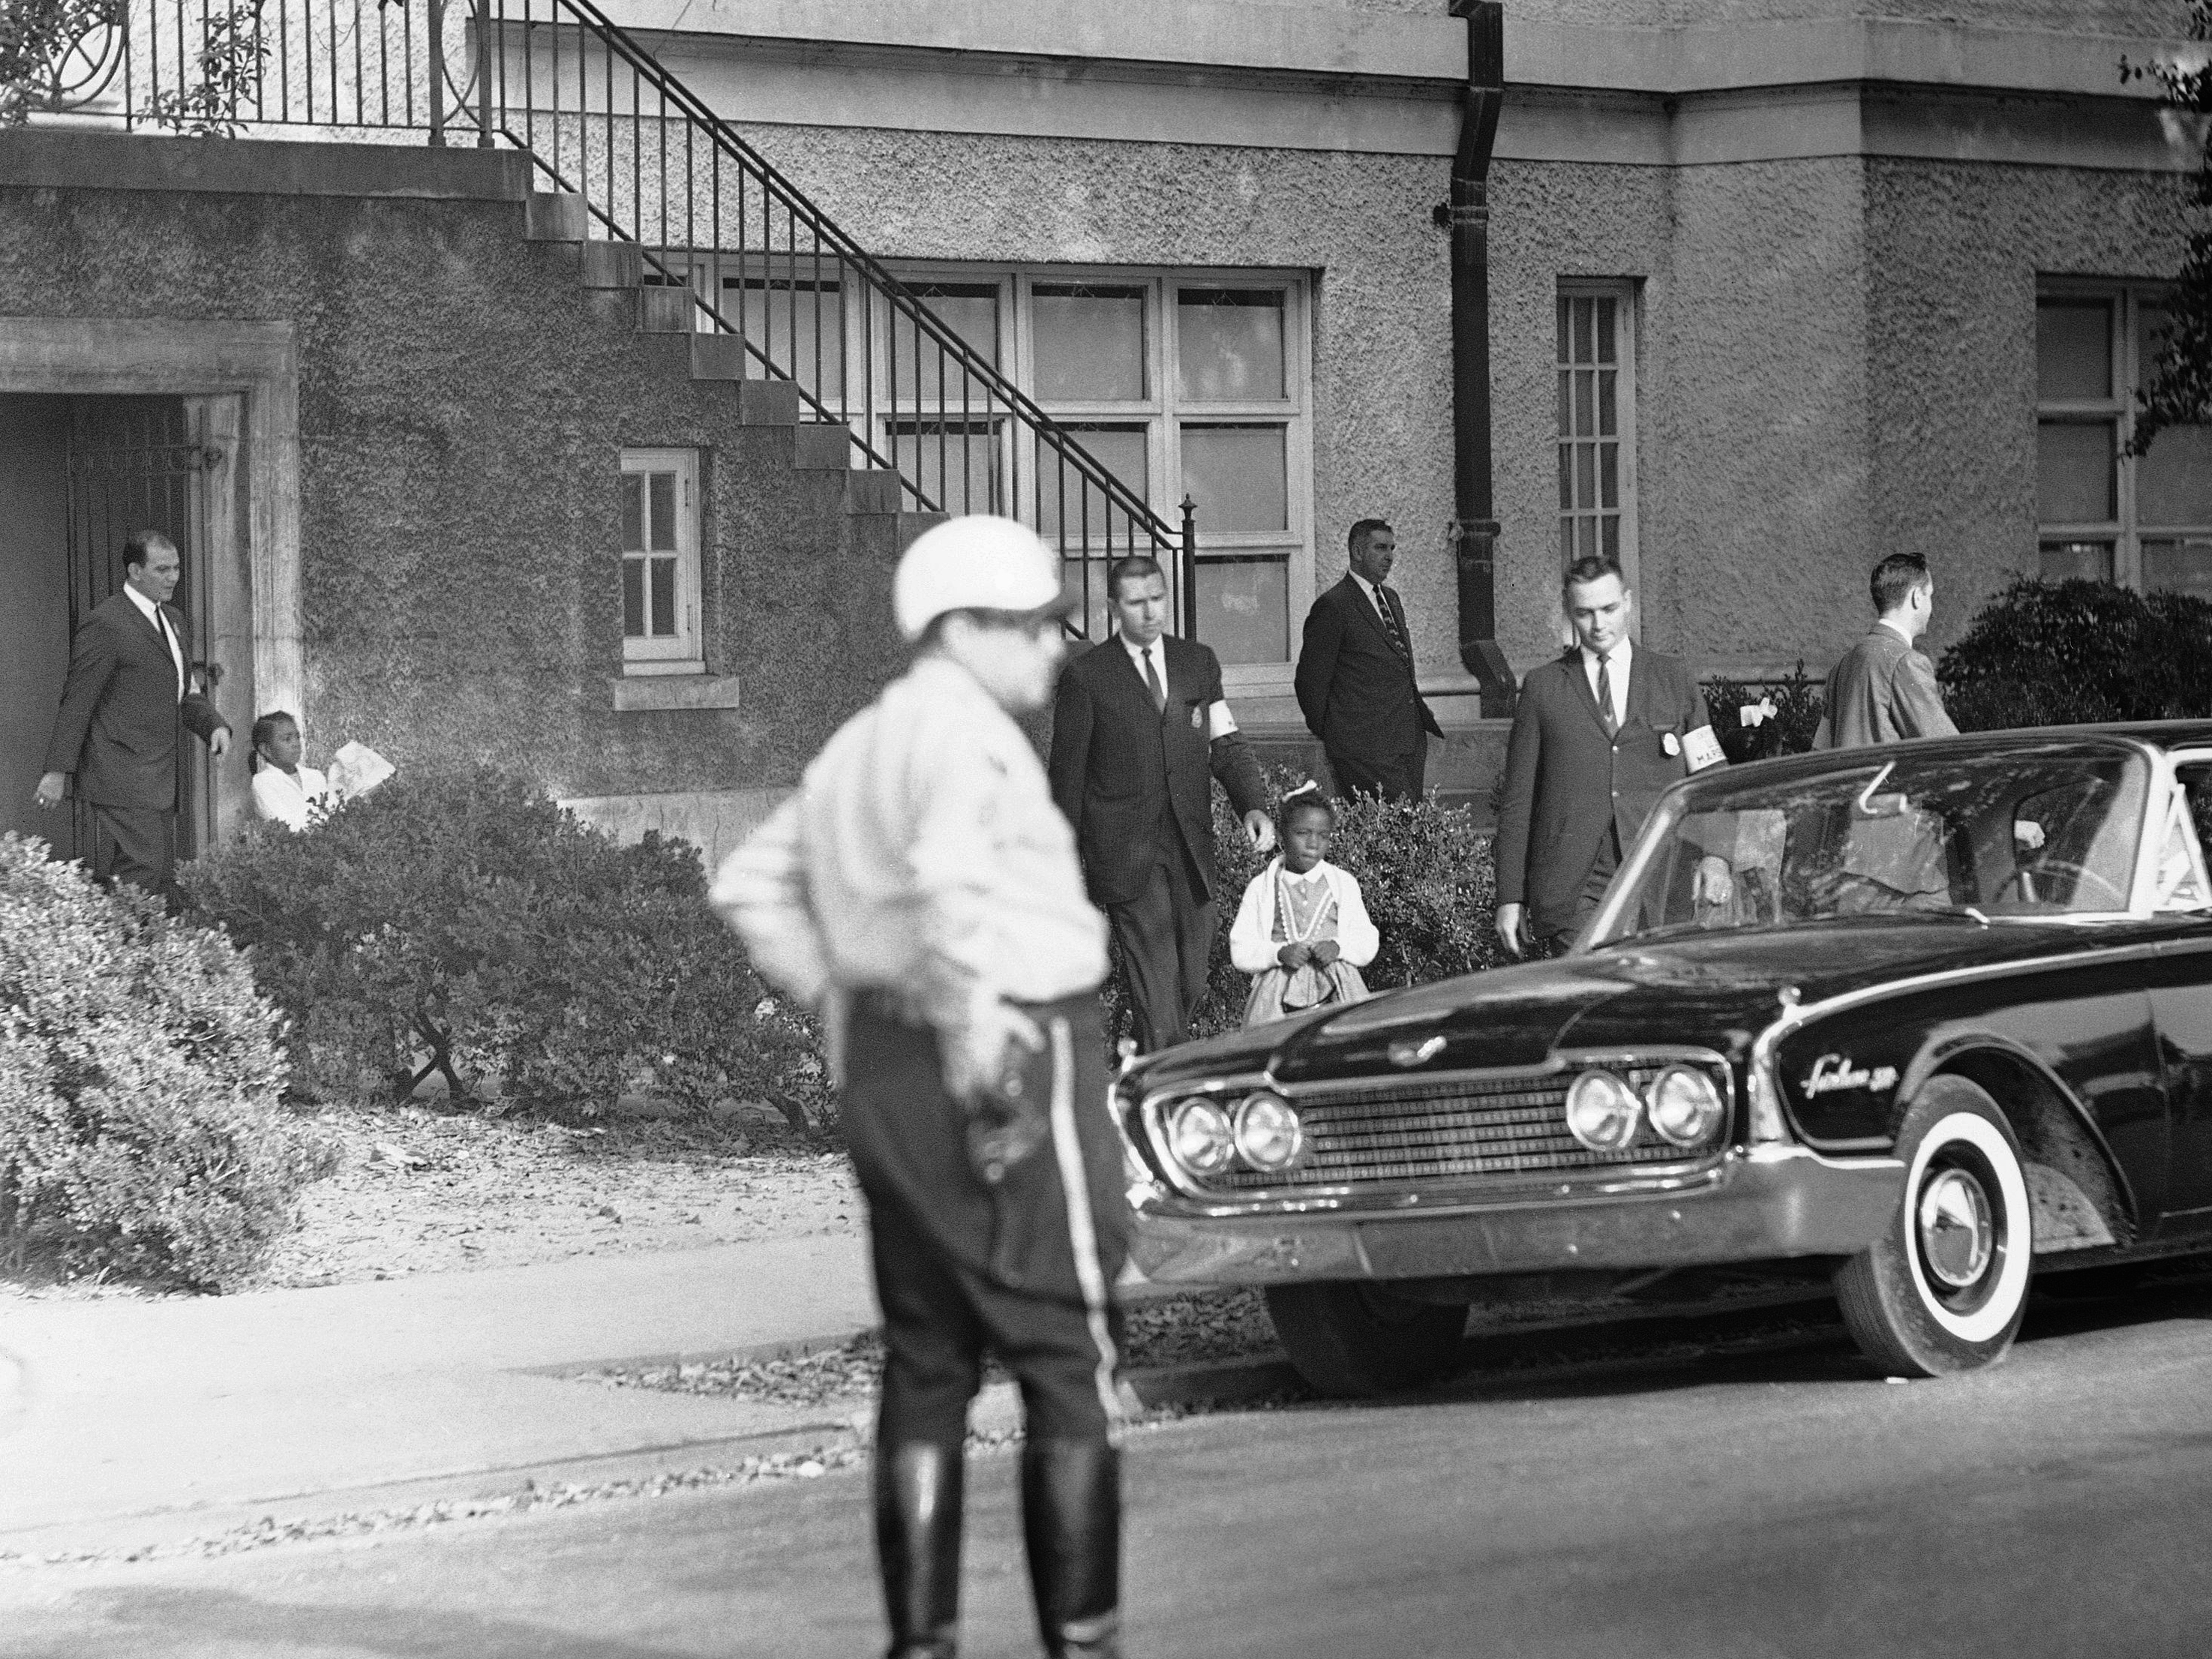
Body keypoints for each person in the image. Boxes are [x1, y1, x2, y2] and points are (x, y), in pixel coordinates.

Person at [711, 516, 1128, 1659]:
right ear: (965, 628)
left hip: (895, 1070)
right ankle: (1084, 1646)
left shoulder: (860, 744)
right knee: (1066, 1356)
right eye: (1038, 626)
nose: (1054, 649)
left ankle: (923, 1645)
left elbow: (753, 885)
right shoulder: (968, 744)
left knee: (929, 1361)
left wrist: (856, 1011)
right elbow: (950, 892)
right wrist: (971, 1033)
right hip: (1011, 1055)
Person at [1047, 554, 1274, 1053]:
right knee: (1157, 990)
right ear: (1113, 608)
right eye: (1135, 603)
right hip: (1126, 856)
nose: (1149, 613)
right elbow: (1066, 781)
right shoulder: (1086, 677)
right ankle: (1164, 1077)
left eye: (1156, 599)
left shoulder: (1197, 663)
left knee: (1190, 982)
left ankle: (1139, 1059)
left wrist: (1252, 806)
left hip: (1190, 848)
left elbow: (1226, 743)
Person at [1493, 555, 1722, 958]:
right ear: (1568, 612)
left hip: (1661, 871)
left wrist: (1717, 857)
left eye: (1609, 609)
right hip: (1576, 884)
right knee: (1595, 991)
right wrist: (1509, 897)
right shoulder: (1543, 688)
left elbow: (1712, 777)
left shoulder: (1673, 678)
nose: (1598, 625)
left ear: (1629, 603)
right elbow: (1517, 802)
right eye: (1585, 613)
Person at [34, 529, 230, 903]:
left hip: (157, 773)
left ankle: (125, 949)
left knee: (150, 873)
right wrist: (57, 770)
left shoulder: (174, 620)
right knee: (145, 868)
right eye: (162, 569)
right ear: (135, 571)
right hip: (119, 768)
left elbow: (185, 689)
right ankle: (118, 949)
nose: (173, 577)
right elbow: (78, 700)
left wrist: (213, 725)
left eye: (176, 568)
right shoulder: (106, 622)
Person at [1293, 519, 1444, 802]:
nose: (1389, 557)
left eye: (1392, 549)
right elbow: (1310, 683)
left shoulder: (1391, 599)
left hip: (1406, 741)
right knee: (1398, 827)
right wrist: (1340, 735)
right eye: (1380, 548)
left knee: (1406, 829)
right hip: (1363, 748)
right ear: (1358, 552)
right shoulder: (1334, 605)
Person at [1229, 782, 1379, 1025]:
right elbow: (1241, 949)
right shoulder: (1262, 887)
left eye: (1323, 835)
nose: (1313, 844)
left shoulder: (1342, 883)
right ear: (1280, 835)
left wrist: (1338, 947)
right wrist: (1277, 953)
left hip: (1338, 989)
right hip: (1278, 994)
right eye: (1302, 833)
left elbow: (1367, 940)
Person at [1812, 552, 1959, 748]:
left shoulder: (1842, 665)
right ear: (1916, 597)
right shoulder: (1906, 662)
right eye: (1929, 595)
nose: (1931, 607)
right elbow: (1948, 749)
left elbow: (1819, 749)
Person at [248, 711, 330, 831]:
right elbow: (285, 826)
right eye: (287, 739)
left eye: (297, 737)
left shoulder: (315, 776)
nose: (296, 744)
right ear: (266, 749)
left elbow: (334, 814)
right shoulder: (263, 782)